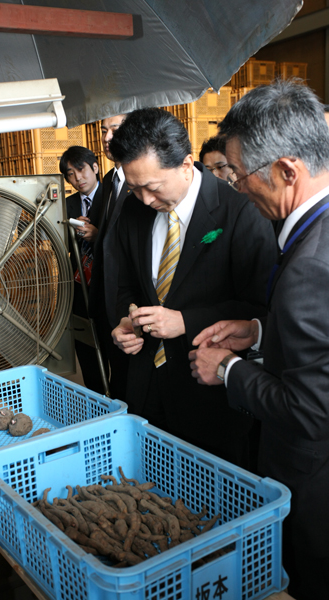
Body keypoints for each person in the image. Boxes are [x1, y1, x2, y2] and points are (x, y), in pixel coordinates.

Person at [188, 79, 329, 600]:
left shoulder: (310, 264)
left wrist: (227, 369)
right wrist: (262, 330)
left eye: (242, 176)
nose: (238, 190)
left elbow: (311, 410)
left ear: (287, 170)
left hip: (315, 485)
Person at [109, 107, 277, 469]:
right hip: (146, 388)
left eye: (152, 187)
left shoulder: (241, 212)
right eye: (134, 187)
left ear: (186, 165)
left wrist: (186, 320)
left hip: (208, 394)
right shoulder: (132, 211)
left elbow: (261, 309)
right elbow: (125, 286)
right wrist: (127, 321)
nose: (145, 200)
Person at [88, 115, 131, 400]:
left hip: (129, 302)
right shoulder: (108, 180)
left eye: (114, 129)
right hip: (104, 295)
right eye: (104, 130)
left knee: (130, 378)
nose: (106, 138)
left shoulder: (142, 185)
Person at [60, 145, 106, 393]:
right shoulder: (66, 206)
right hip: (78, 287)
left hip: (106, 287)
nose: (77, 178)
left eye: (81, 169)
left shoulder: (111, 199)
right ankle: (95, 398)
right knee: (86, 349)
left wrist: (97, 235)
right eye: (70, 174)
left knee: (111, 348)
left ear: (95, 168)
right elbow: (60, 246)